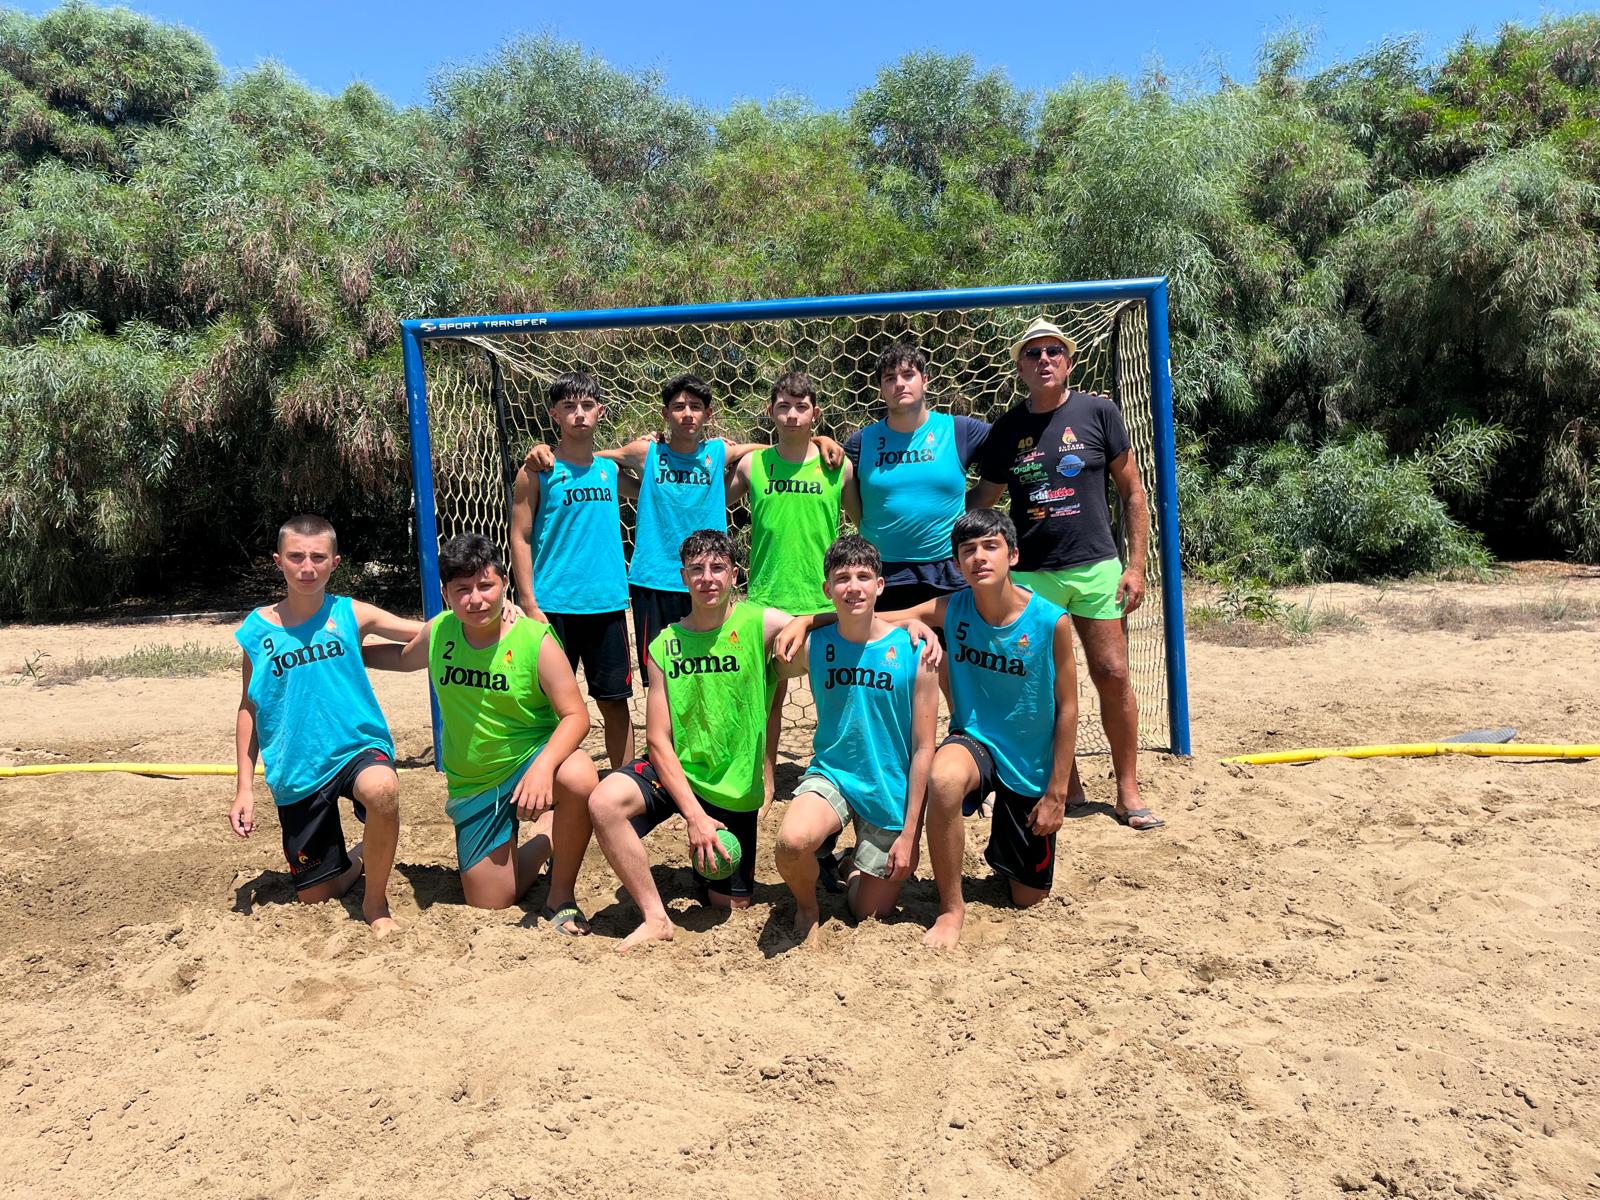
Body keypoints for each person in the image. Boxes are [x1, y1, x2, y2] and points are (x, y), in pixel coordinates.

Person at [777, 508, 1078, 950]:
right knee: (943, 775)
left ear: (1013, 555)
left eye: (991, 547)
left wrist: (1058, 792)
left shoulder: (1052, 622)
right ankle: (951, 908)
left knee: (1028, 899)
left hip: (1030, 759)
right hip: (973, 738)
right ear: (957, 563)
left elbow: (1068, 709)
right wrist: (807, 618)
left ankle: (852, 863)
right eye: (968, 550)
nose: (979, 558)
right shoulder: (950, 607)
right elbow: (874, 613)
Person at [971, 317, 1163, 831]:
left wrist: (1137, 564)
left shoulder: (1100, 413)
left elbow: (1133, 493)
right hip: (1031, 575)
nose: (1044, 360)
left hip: (1097, 567)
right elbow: (982, 502)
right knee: (1043, 685)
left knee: (1113, 675)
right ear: (1019, 368)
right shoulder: (1007, 430)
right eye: (1033, 353)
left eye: (1053, 350)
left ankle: (1126, 790)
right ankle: (1067, 782)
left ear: (1069, 360)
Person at [365, 534, 597, 925]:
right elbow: (403, 658)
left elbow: (577, 715)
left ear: (503, 584)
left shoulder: (534, 641)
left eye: (486, 585)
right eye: (463, 590)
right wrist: (345, 653)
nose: (477, 599)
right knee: (491, 901)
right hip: (474, 782)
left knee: (578, 775)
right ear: (445, 594)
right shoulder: (440, 632)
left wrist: (543, 768)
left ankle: (560, 896)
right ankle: (545, 835)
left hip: (530, 761)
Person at [584, 530, 789, 952]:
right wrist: (693, 815)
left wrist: (805, 621)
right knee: (603, 802)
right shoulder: (665, 645)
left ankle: (707, 870)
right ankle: (656, 917)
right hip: (676, 771)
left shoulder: (760, 623)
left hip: (731, 788)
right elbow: (658, 741)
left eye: (717, 568)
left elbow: (826, 620)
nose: (707, 578)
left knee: (729, 905)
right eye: (697, 569)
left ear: (735, 573)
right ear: (683, 576)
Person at [229, 514, 416, 937]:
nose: (307, 567)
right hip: (297, 767)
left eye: (318, 557)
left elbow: (422, 634)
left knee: (382, 789)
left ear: (335, 562)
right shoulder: (257, 631)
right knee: (316, 895)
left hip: (356, 747)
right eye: (297, 557)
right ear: (279, 561)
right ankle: (361, 857)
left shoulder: (351, 614)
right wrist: (244, 788)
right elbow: (248, 707)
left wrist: (490, 616)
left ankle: (375, 902)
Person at [523, 372, 766, 682]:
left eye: (695, 406)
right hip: (654, 581)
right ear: (665, 414)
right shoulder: (647, 453)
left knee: (711, 672)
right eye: (678, 406)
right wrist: (542, 451)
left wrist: (815, 441)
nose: (687, 413)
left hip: (707, 578)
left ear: (709, 413)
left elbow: (769, 452)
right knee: (660, 676)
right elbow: (589, 459)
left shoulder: (718, 453)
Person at [773, 535, 938, 943]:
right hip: (834, 775)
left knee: (866, 911)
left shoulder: (916, 649)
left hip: (889, 789)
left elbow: (923, 748)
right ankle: (809, 907)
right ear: (828, 589)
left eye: (864, 576)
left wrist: (911, 834)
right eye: (842, 578)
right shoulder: (814, 645)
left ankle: (848, 864)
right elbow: (753, 633)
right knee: (791, 844)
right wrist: (806, 619)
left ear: (880, 585)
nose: (853, 586)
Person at [726, 371, 856, 806]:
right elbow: (710, 491)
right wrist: (744, 448)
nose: (792, 414)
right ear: (771, 411)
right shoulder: (752, 466)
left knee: (834, 697)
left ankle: (835, 776)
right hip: (766, 601)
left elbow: (863, 521)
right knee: (767, 702)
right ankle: (764, 780)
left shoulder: (838, 466)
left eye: (801, 406)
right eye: (783, 405)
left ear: (814, 413)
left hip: (823, 604)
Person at [509, 371, 636, 768]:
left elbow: (660, 474)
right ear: (554, 414)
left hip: (607, 606)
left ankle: (624, 784)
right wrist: (529, 602)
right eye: (569, 407)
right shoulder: (536, 471)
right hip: (553, 606)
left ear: (600, 411)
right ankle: (545, 781)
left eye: (586, 406)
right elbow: (520, 535)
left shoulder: (611, 472)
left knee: (614, 705)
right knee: (548, 707)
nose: (579, 414)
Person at [844, 341, 990, 610]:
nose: (899, 384)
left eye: (908, 375)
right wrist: (821, 441)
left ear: (925, 380)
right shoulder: (861, 442)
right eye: (890, 378)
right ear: (880, 389)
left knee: (952, 652)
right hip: (884, 573)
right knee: (890, 652)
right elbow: (848, 497)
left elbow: (1012, 443)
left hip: (949, 570)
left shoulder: (960, 431)